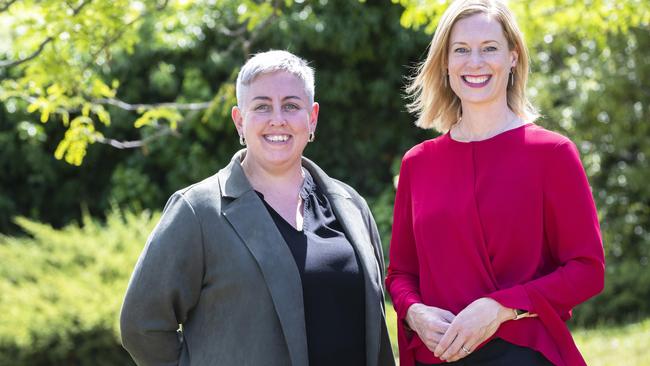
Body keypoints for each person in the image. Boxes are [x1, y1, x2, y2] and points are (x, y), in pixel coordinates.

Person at [120, 50, 394, 366]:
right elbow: (142, 326)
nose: (277, 119)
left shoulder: (351, 207)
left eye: (291, 105)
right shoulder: (197, 212)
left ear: (312, 118)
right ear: (240, 120)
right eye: (262, 106)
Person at [385, 1, 605, 365]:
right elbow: (401, 273)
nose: (475, 62)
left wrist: (501, 308)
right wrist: (414, 313)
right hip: (437, 355)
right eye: (461, 50)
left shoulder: (552, 153)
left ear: (513, 57)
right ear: (445, 63)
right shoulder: (418, 163)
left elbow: (587, 270)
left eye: (489, 48)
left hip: (521, 354)